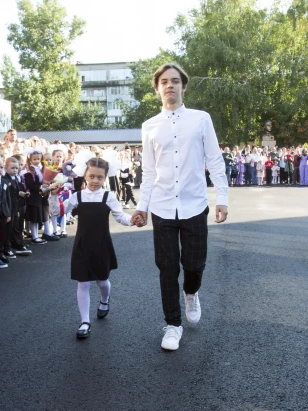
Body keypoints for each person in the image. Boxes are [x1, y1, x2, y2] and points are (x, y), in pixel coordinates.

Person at [131, 63, 228, 351]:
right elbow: (148, 172)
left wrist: (221, 198)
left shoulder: (200, 119)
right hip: (162, 207)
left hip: (195, 204)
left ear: (183, 86)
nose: (170, 85)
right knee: (167, 268)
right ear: (157, 88)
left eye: (175, 81)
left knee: (195, 265)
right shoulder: (149, 126)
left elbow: (214, 160)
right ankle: (173, 325)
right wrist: (142, 206)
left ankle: (191, 291)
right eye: (164, 82)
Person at [66, 157, 140, 339]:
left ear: (105, 178)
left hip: (101, 245)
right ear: (85, 175)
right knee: (83, 282)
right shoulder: (77, 196)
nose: (95, 181)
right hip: (82, 245)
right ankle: (85, 322)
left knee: (102, 281)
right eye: (91, 176)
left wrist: (132, 220)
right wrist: (51, 195)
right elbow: (58, 211)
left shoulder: (109, 196)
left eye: (99, 177)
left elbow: (120, 216)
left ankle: (105, 300)